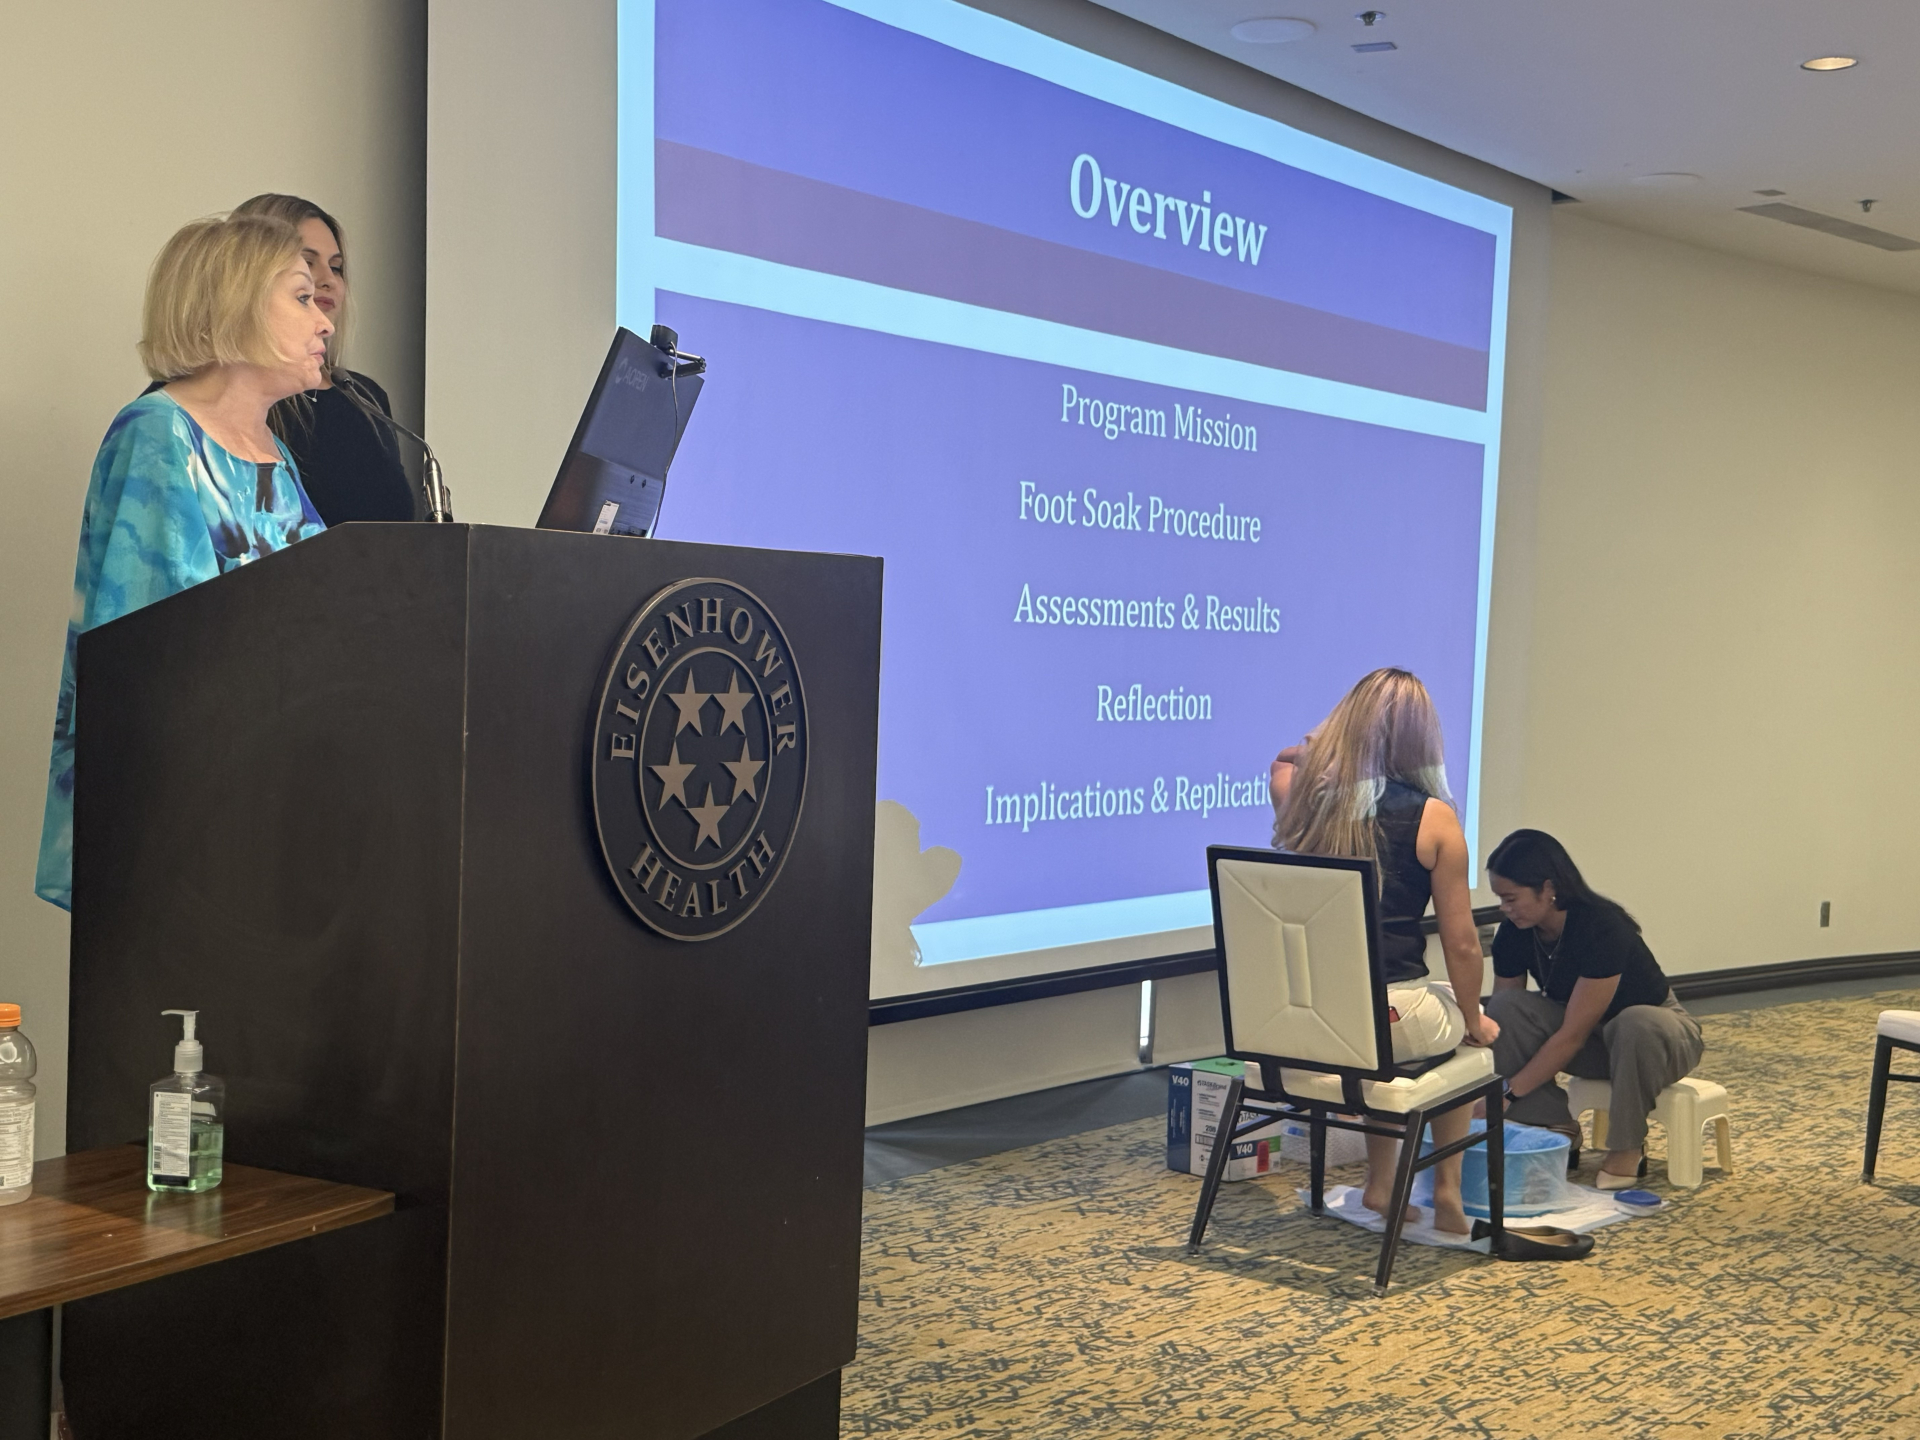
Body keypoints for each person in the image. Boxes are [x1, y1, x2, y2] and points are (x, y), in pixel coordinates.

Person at [34, 213, 331, 910]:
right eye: (301, 296)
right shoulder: (158, 433)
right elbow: (163, 644)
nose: (325, 321)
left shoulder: (272, 449)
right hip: (177, 823)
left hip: (275, 799)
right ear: (234, 305)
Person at [1271, 668, 1496, 1234]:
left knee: (1400, 1042)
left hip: (1308, 1017)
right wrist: (1474, 1019)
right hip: (1389, 1017)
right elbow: (1462, 944)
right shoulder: (1434, 818)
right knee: (1464, 1035)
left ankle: (1382, 1182)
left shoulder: (1302, 803)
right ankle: (1446, 1191)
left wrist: (1319, 748)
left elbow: (1282, 761)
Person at [1483, 829, 1704, 1188]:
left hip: (1656, 1041)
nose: (1504, 909)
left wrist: (1507, 1094)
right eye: (1500, 900)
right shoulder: (1513, 933)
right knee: (1505, 1009)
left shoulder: (1601, 927)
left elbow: (1572, 1035)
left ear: (1548, 888)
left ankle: (1627, 1145)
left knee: (1633, 1022)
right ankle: (1553, 1124)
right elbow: (1501, 1025)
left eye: (1511, 898)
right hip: (1595, 1042)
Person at [229, 193, 416, 524]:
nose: (328, 280)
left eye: (336, 267)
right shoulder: (207, 402)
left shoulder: (364, 396)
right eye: (307, 262)